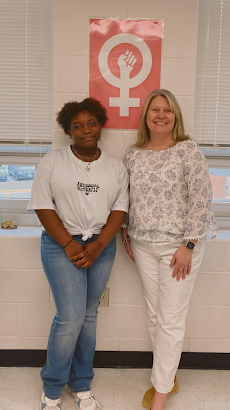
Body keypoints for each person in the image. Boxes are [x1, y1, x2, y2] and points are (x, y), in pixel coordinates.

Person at [27, 98, 129, 410]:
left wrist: (98, 245)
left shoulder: (115, 166)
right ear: (68, 131)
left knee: (88, 316)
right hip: (61, 243)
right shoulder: (52, 161)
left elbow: (119, 209)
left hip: (102, 244)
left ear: (101, 126)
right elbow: (43, 206)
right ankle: (52, 389)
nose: (86, 130)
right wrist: (69, 244)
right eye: (78, 126)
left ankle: (81, 382)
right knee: (69, 317)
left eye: (92, 123)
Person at [121, 89, 217, 410]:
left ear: (176, 116)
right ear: (146, 116)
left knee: (171, 320)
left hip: (179, 247)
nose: (161, 115)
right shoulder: (133, 153)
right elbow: (126, 197)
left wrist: (189, 244)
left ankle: (160, 392)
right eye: (155, 109)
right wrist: (125, 234)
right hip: (142, 244)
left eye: (167, 110)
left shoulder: (188, 150)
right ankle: (169, 376)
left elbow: (202, 199)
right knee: (154, 314)